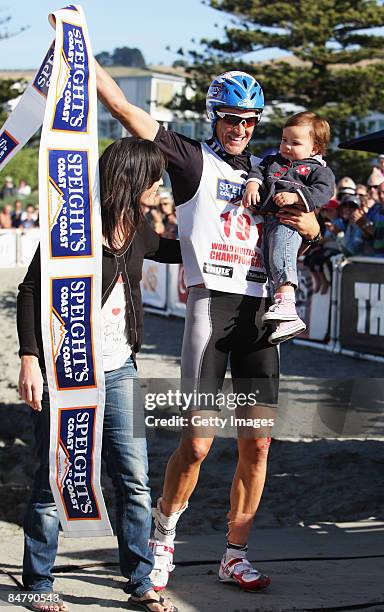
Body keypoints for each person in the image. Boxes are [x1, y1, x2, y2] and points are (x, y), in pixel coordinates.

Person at [96, 65, 321, 594]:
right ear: (213, 118)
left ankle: (234, 555)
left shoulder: (273, 171)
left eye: (248, 120)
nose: (239, 128)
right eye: (229, 119)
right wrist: (81, 50)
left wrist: (311, 225)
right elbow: (126, 112)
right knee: (197, 444)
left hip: (261, 315)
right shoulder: (192, 158)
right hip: (211, 309)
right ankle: (164, 538)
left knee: (258, 446)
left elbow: (309, 226)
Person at [17, 138, 181, 612]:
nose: (159, 185)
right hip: (64, 371)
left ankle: (140, 581)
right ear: (130, 178)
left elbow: (174, 250)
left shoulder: (141, 230)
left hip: (121, 368)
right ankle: (39, 584)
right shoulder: (71, 226)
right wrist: (30, 357)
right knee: (54, 480)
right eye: (153, 176)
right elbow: (30, 290)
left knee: (134, 480)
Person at [243, 111, 335, 342]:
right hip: (272, 220)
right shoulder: (273, 161)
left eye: (295, 142)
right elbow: (258, 172)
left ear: (315, 148)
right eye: (284, 140)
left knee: (280, 257)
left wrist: (295, 198)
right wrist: (252, 186)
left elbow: (323, 192)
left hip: (291, 220)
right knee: (271, 261)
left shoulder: (317, 170)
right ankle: (288, 318)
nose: (287, 146)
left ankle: (287, 307)